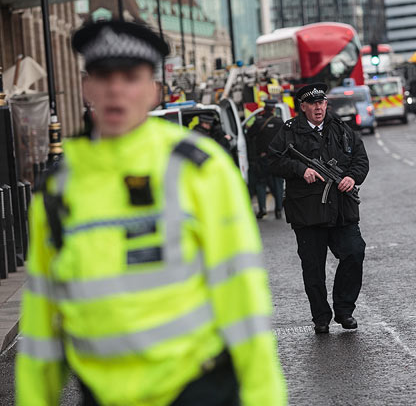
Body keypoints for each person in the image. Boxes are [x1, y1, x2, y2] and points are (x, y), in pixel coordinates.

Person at [16, 20, 286, 405]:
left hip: (197, 390)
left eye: (130, 76)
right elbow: (42, 325)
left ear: (153, 91)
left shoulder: (201, 170)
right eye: (104, 75)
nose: (115, 89)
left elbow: (243, 303)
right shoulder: (58, 188)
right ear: (85, 86)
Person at [268, 83, 369, 334]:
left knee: (354, 253)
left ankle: (344, 310)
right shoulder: (289, 131)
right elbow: (273, 160)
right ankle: (321, 316)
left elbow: (360, 159)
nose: (318, 108)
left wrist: (352, 178)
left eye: (321, 103)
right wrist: (301, 170)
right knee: (313, 268)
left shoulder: (341, 129)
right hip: (307, 212)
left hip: (342, 210)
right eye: (312, 104)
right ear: (303, 107)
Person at [246, 99, 284, 219]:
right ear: (273, 109)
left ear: (264, 109)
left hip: (262, 158)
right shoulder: (279, 122)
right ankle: (278, 210)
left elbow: (249, 135)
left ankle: (262, 209)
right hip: (276, 158)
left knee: (261, 183)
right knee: (278, 184)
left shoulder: (258, 122)